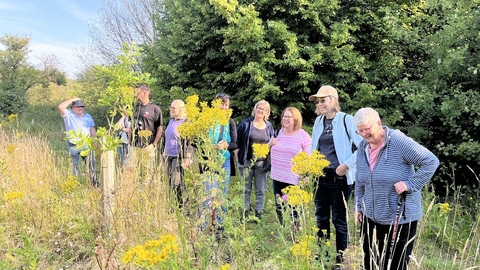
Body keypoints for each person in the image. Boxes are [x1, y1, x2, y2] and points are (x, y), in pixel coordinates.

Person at [353, 108, 439, 270]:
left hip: (399, 217)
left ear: (378, 124)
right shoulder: (362, 147)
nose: (364, 134)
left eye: (367, 129)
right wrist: (359, 206)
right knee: (370, 262)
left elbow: (431, 161)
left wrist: (410, 184)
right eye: (360, 131)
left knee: (395, 265)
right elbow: (360, 179)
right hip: (370, 215)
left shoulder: (398, 141)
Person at [309, 85, 363, 267]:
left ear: (334, 100)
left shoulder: (346, 120)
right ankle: (322, 255)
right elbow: (314, 148)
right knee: (321, 217)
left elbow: (363, 146)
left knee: (339, 219)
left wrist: (346, 164)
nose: (320, 104)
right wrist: (309, 170)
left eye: (323, 100)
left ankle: (340, 258)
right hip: (320, 176)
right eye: (318, 101)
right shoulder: (318, 122)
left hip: (339, 177)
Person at [269, 107, 311, 227]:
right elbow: (267, 147)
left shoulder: (303, 136)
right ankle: (283, 229)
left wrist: (305, 175)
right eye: (284, 116)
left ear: (296, 119)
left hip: (294, 179)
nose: (285, 119)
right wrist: (270, 143)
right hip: (277, 176)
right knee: (279, 206)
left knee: (295, 208)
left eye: (289, 117)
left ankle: (296, 232)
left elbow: (308, 157)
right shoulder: (278, 132)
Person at [202, 93, 237, 232]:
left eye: (226, 104)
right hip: (209, 162)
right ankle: (205, 225)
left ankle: (220, 226)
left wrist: (226, 145)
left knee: (222, 194)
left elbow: (235, 143)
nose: (223, 107)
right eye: (221, 104)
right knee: (209, 195)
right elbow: (197, 141)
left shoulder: (230, 122)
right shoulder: (207, 120)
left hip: (224, 162)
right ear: (214, 104)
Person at [237, 100, 275, 222]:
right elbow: (236, 142)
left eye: (262, 109)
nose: (260, 110)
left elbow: (272, 144)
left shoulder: (269, 126)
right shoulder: (246, 124)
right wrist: (239, 159)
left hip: (261, 163)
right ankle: (245, 213)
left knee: (261, 189)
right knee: (245, 189)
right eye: (258, 108)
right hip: (246, 161)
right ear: (255, 109)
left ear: (266, 112)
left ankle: (259, 213)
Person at [58, 97, 98, 185]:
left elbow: (92, 128)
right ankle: (74, 183)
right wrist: (72, 99)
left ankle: (94, 182)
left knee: (91, 163)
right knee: (74, 165)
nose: (80, 108)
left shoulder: (88, 116)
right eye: (77, 106)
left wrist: (95, 141)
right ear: (72, 107)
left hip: (86, 143)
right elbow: (60, 107)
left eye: (82, 106)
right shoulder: (68, 114)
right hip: (73, 144)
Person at [164, 99, 192, 207]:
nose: (171, 109)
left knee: (177, 182)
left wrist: (187, 157)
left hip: (178, 155)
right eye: (171, 107)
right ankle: (175, 205)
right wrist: (164, 153)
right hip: (169, 155)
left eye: (173, 107)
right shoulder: (170, 121)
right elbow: (166, 137)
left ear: (180, 109)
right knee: (170, 181)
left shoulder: (185, 122)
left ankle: (182, 206)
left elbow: (189, 142)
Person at [132, 83, 163, 177]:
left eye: (138, 93)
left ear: (144, 93)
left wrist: (154, 144)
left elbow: (160, 127)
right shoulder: (135, 107)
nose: (136, 95)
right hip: (135, 146)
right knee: (131, 170)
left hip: (148, 146)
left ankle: (148, 189)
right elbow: (131, 126)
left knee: (147, 173)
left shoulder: (155, 109)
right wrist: (130, 141)